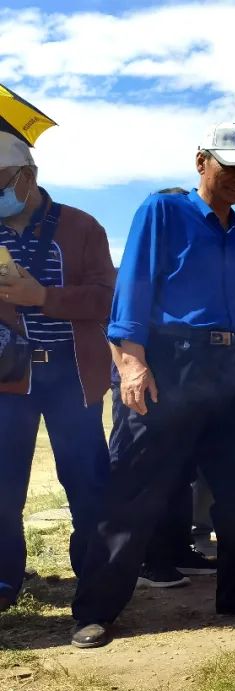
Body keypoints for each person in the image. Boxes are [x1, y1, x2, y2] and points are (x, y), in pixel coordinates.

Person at [71, 124, 235, 648]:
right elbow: (134, 289)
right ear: (200, 161)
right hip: (170, 361)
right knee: (134, 488)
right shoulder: (162, 212)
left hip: (231, 366)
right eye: (227, 166)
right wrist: (131, 364)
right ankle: (95, 609)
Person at [0, 134, 114, 612]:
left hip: (72, 372)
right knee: (3, 483)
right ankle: (5, 578)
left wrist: (42, 297)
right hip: (9, 376)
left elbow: (107, 298)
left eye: (1, 182)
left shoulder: (80, 226)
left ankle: (94, 584)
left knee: (88, 483)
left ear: (29, 175)